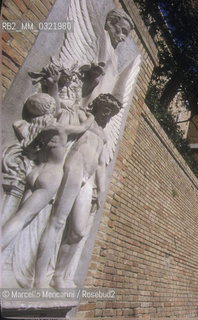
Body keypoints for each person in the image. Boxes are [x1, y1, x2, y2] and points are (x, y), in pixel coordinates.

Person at [34, 93, 122, 288]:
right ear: (98, 106)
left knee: (79, 231)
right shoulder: (85, 118)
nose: (108, 113)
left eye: (112, 111)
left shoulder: (104, 135)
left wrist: (101, 188)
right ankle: (39, 279)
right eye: (106, 108)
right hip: (74, 167)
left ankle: (58, 276)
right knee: (57, 221)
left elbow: (100, 163)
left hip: (88, 178)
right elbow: (66, 110)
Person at [1, 94, 94, 250]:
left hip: (34, 173)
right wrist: (90, 116)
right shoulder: (60, 128)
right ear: (50, 109)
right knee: (22, 217)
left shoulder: (38, 129)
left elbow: (32, 149)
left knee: (20, 213)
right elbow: (83, 127)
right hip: (51, 175)